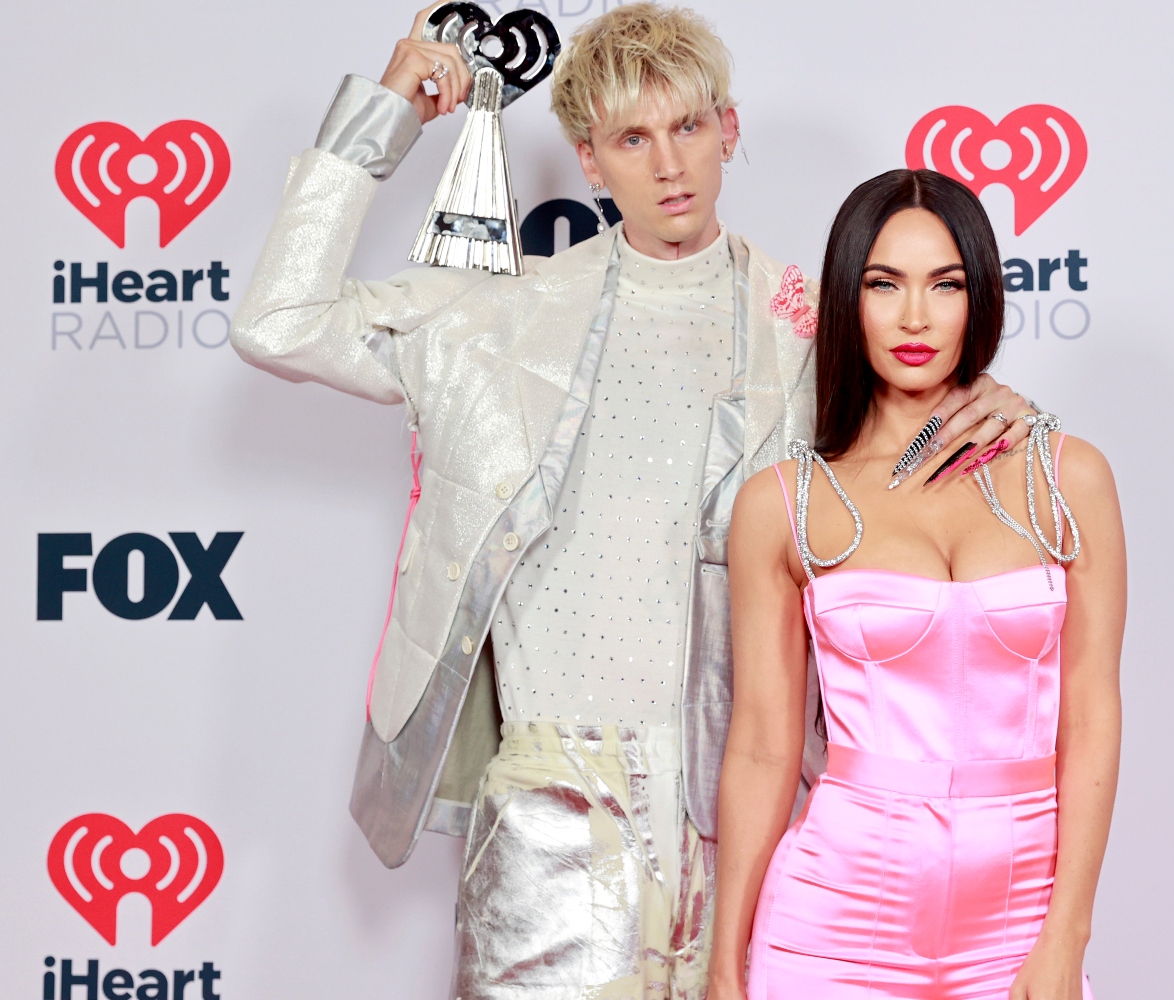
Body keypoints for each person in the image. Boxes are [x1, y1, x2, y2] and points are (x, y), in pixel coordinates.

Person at [231, 3, 1045, 996]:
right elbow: (280, 321)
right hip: (548, 813)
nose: (670, 165)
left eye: (690, 128)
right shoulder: (494, 320)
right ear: (588, 160)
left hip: (751, 816)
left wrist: (985, 401)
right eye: (633, 137)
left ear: (729, 132)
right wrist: (384, 114)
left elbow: (913, 460)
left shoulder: (807, 333)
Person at [710, 169, 1125, 1000]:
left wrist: (1067, 931)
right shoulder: (781, 505)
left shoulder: (1068, 479)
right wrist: (726, 964)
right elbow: (761, 746)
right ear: (846, 299)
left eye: (945, 285)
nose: (913, 317)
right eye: (883, 284)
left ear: (981, 299)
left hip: (1017, 925)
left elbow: (1092, 712)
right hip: (830, 924)